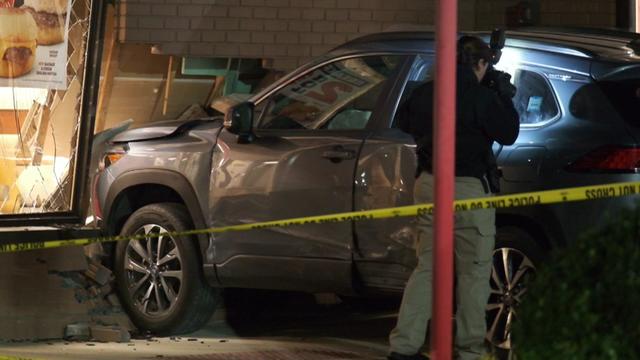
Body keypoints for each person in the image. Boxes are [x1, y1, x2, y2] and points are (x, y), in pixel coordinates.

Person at [387, 36, 520, 360]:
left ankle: (403, 347)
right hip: (469, 189)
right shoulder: (482, 97)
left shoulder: (425, 92)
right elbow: (509, 133)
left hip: (430, 184)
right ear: (480, 63)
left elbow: (402, 121)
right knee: (473, 274)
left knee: (427, 268)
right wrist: (501, 96)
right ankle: (469, 349)